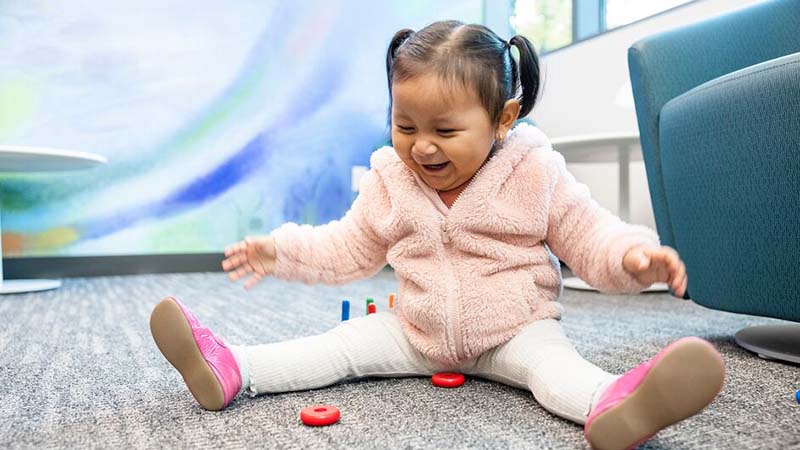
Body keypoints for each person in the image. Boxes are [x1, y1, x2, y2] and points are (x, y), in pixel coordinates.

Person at [150, 20, 724, 450]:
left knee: (556, 373)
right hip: (416, 330)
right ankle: (230, 367)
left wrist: (632, 256)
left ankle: (617, 404)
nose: (421, 146)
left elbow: (586, 231)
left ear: (504, 118)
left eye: (445, 130)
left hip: (514, 329)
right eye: (405, 126)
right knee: (336, 348)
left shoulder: (533, 171)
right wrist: (280, 250)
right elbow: (347, 247)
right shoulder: (390, 178)